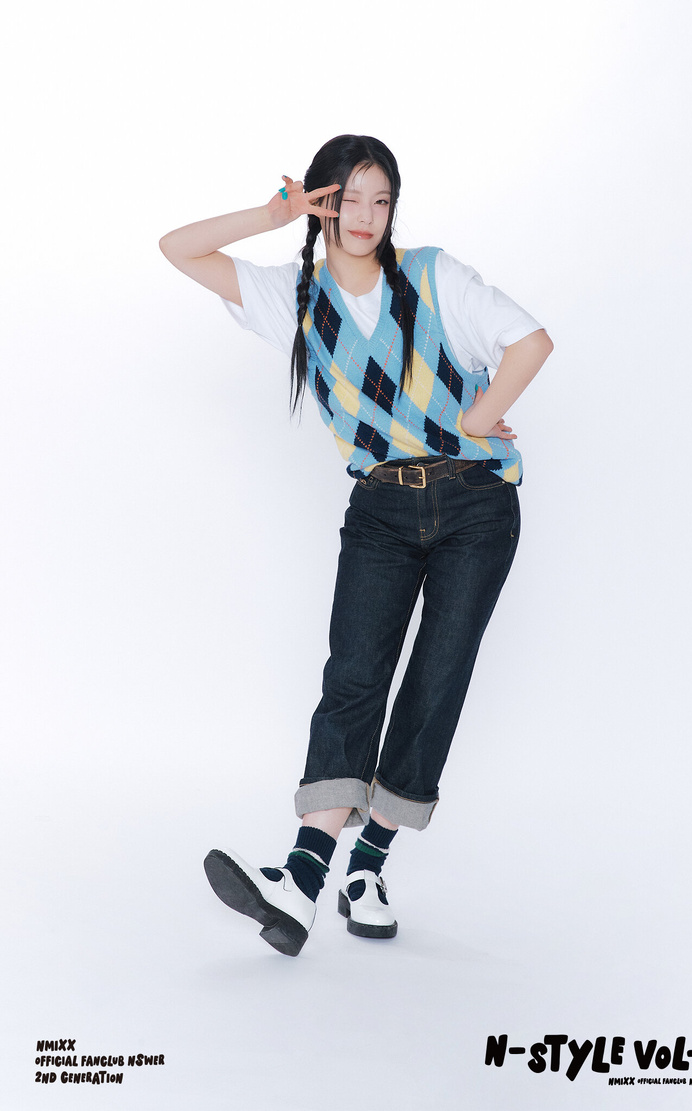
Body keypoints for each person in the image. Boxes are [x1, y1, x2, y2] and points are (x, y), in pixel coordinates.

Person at [160, 134, 553, 957]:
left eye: (381, 199)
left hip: (477, 506)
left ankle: (366, 863)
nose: (367, 216)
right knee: (353, 678)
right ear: (323, 203)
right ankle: (303, 881)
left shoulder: (435, 277)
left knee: (435, 682)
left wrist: (477, 421)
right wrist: (272, 215)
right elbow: (177, 248)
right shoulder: (293, 297)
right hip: (379, 507)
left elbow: (531, 342)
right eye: (348, 198)